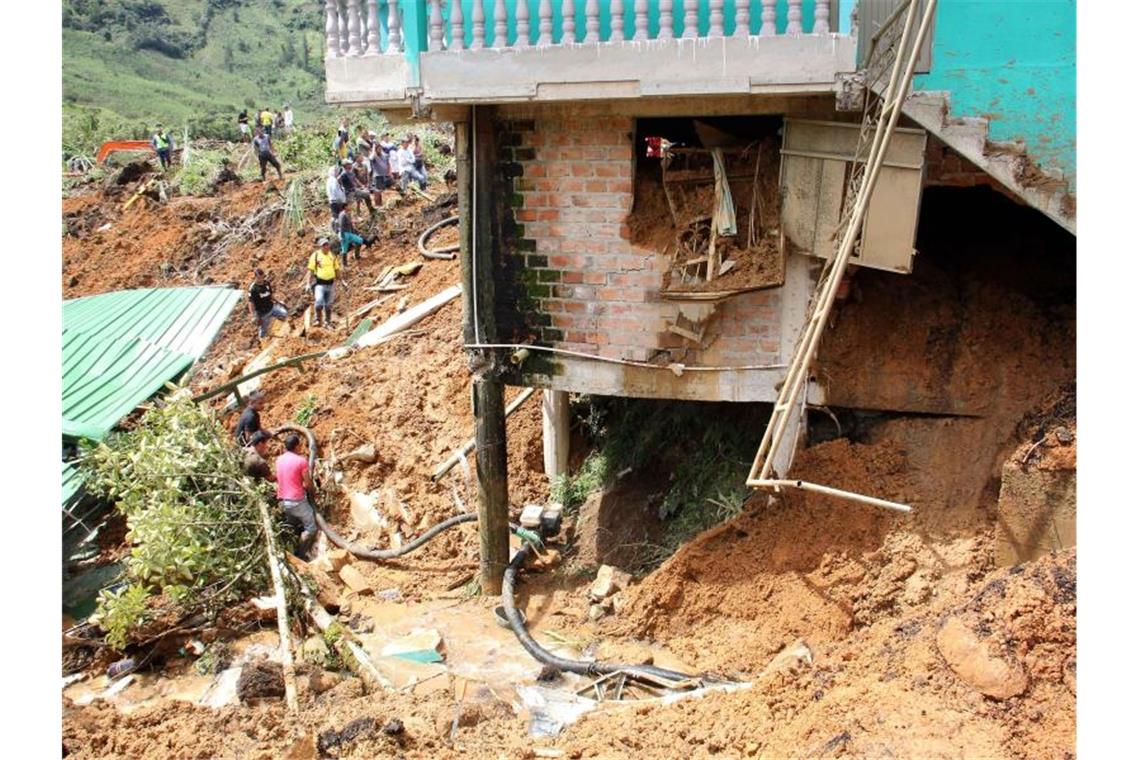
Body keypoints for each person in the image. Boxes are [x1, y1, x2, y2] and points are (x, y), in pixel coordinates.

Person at [275, 434, 317, 559]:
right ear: (297, 446)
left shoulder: (279, 460)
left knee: (292, 526)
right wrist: (313, 492)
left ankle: (288, 550)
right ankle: (300, 556)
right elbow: (308, 482)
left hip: (283, 502)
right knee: (311, 528)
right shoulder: (301, 461)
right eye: (299, 445)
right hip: (297, 502)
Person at [307, 238, 341, 328]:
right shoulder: (315, 256)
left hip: (331, 284)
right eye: (324, 245)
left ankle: (327, 322)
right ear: (320, 247)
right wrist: (307, 283)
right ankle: (317, 319)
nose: (326, 247)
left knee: (329, 305)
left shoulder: (332, 256)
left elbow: (337, 269)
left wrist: (342, 280)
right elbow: (310, 271)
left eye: (327, 245)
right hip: (320, 284)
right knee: (319, 302)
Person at [248, 267, 288, 340]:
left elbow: (270, 295)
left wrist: (279, 302)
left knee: (285, 314)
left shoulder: (266, 283)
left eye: (263, 277)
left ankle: (282, 327)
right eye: (259, 278)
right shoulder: (253, 289)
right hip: (263, 313)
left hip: (272, 307)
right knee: (263, 330)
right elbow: (251, 303)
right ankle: (262, 341)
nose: (261, 279)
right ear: (255, 277)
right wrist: (254, 315)